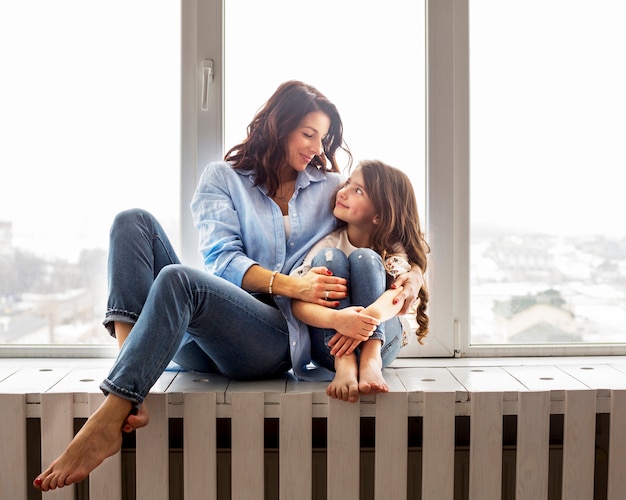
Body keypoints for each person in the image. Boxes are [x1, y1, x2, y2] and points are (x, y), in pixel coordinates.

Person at [32, 80, 424, 491]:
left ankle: (110, 417)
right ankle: (131, 392)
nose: (317, 148)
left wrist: (413, 276)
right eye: (308, 134)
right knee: (133, 222)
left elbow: (384, 232)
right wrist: (292, 284)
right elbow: (223, 262)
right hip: (206, 333)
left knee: (179, 279)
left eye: (323, 138)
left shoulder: (329, 188)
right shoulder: (223, 178)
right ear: (279, 125)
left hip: (270, 337)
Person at [291, 160, 429, 403]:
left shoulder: (393, 250)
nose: (342, 192)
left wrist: (363, 323)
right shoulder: (329, 244)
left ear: (379, 215)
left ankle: (369, 359)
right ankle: (344, 363)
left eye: (358, 191)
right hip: (331, 348)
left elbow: (398, 298)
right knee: (328, 259)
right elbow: (298, 304)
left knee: (365, 258)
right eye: (347, 184)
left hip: (383, 345)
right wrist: (340, 321)